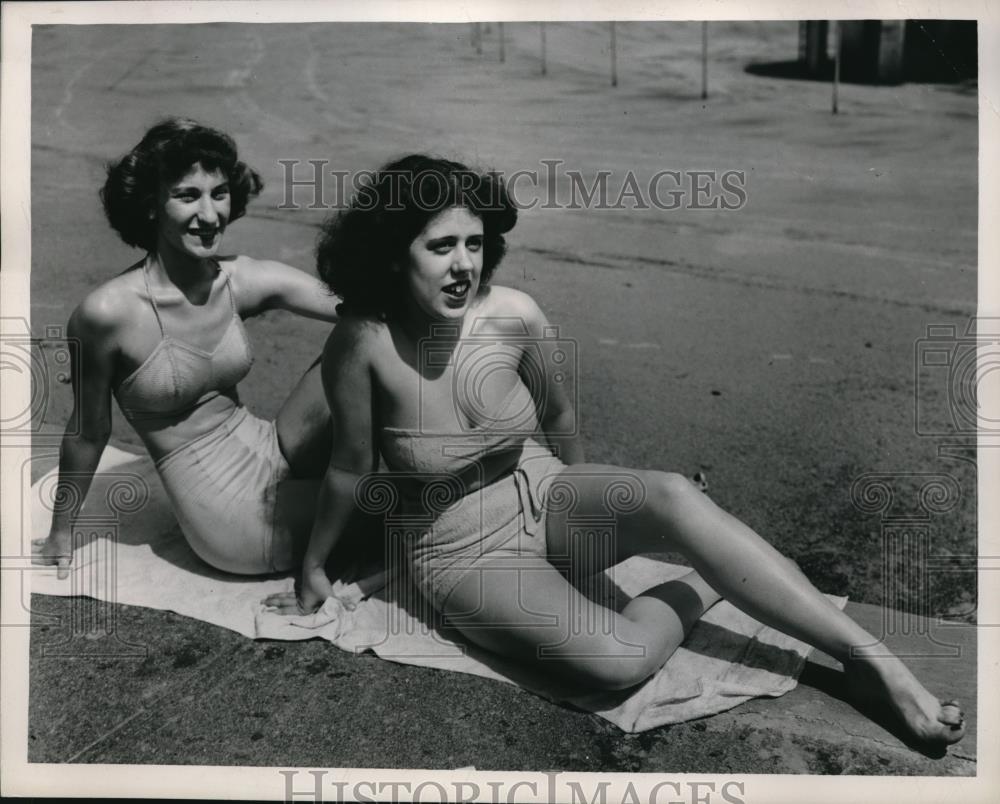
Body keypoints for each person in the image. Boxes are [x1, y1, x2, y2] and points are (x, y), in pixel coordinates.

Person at [264, 154, 966, 748]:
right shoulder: (363, 342)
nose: (463, 267)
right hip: (459, 549)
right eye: (440, 246)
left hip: (539, 488)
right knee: (616, 662)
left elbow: (559, 415)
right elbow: (351, 468)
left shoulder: (513, 314)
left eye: (474, 245)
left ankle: (873, 662)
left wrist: (587, 503)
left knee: (672, 495)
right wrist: (315, 567)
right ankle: (710, 579)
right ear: (394, 254)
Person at [32, 118, 340, 577]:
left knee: (364, 335)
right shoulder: (107, 313)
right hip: (230, 517)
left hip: (270, 448)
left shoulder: (239, 280)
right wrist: (61, 532)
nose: (211, 214)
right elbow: (88, 432)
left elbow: (356, 307)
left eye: (218, 193)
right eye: (187, 196)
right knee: (397, 499)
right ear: (152, 205)